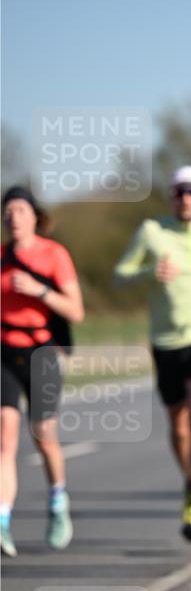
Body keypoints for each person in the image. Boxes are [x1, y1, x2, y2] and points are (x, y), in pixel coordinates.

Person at [114, 166, 191, 542]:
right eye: (179, 191)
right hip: (165, 341)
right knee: (179, 426)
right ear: (171, 196)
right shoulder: (152, 231)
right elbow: (120, 275)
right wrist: (149, 272)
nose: (185, 198)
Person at [1, 186, 84, 557]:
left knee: (43, 434)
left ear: (35, 217)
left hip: (42, 351)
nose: (13, 217)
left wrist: (39, 291)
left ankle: (57, 503)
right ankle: (2, 521)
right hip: (4, 350)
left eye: (20, 209)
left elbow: (76, 311)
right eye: (8, 211)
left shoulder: (54, 255)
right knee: (5, 436)